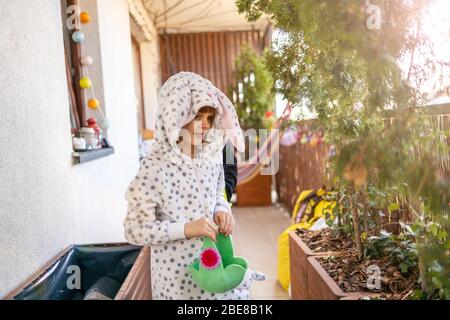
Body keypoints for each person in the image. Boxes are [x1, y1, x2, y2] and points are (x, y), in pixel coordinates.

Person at [123, 71, 247, 300]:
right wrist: (186, 228)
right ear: (176, 115)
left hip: (214, 269)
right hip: (176, 282)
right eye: (197, 117)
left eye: (210, 119)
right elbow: (134, 229)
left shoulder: (211, 155)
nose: (205, 126)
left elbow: (219, 190)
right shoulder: (154, 167)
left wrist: (222, 208)